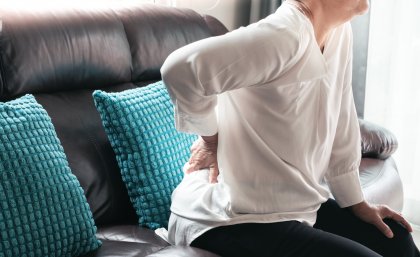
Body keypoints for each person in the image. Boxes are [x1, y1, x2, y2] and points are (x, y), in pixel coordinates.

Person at [161, 0, 420, 256]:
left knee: (397, 240)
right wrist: (210, 139)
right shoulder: (282, 36)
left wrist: (357, 202)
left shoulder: (339, 32)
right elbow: (179, 70)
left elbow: (342, 121)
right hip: (228, 217)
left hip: (294, 204)